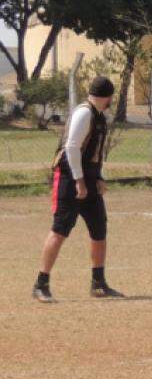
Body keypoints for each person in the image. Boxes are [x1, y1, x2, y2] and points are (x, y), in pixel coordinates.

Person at [33, 76, 122, 303]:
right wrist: (79, 181)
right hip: (70, 180)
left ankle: (98, 283)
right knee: (60, 229)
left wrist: (98, 177)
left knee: (99, 228)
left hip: (88, 180)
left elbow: (93, 152)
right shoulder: (85, 113)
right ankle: (40, 284)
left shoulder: (99, 115)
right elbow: (72, 148)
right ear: (108, 97)